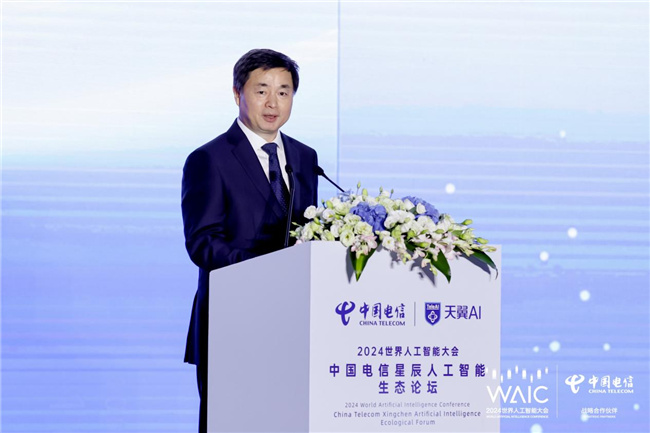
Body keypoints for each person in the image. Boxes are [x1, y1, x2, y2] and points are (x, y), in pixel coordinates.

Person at [180, 49, 319, 432]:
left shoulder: (305, 157)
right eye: (262, 91)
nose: (273, 103)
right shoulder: (209, 159)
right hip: (232, 320)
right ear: (237, 93)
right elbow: (203, 242)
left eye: (284, 92)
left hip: (292, 322)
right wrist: (267, 268)